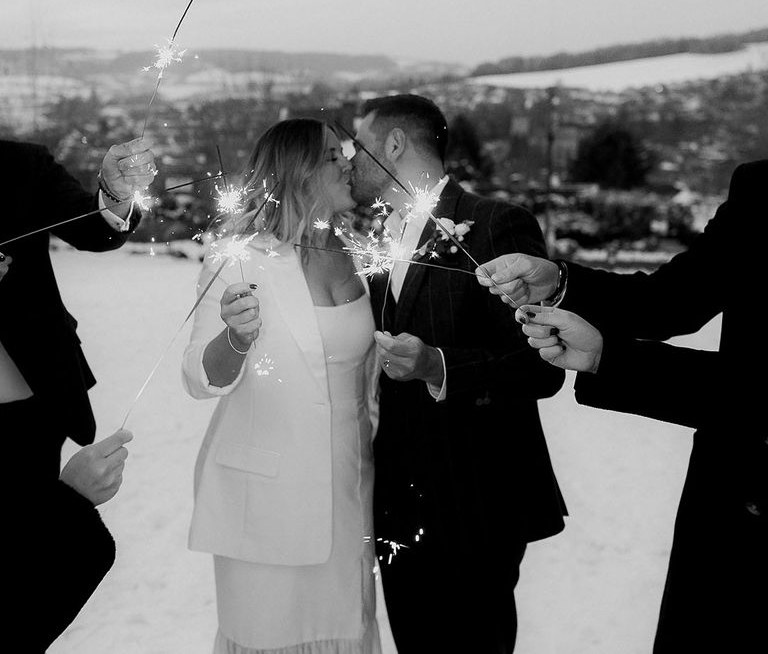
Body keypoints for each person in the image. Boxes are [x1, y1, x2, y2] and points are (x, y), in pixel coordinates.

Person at [477, 159, 768, 653]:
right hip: (733, 511)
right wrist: (560, 283)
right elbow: (673, 300)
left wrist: (608, 359)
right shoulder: (763, 188)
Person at [349, 94, 566, 654]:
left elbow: (539, 367)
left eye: (360, 143)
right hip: (398, 504)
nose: (351, 158)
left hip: (478, 501)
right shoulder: (380, 239)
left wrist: (435, 364)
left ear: (393, 144)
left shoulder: (498, 224)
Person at [182, 118, 382, 654]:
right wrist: (236, 337)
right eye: (331, 156)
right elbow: (199, 378)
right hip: (266, 504)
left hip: (349, 492)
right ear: (296, 172)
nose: (347, 163)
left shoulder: (355, 252)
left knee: (347, 632)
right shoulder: (239, 257)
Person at [0, 136, 154, 649]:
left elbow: (94, 229)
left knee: (32, 564)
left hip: (30, 409)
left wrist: (113, 192)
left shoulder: (20, 163)